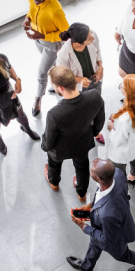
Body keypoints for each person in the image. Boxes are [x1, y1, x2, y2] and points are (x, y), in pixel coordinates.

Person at [67, 159, 135, 271]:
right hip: (104, 225)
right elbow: (102, 195)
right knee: (94, 244)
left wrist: (83, 226)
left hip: (114, 238)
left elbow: (108, 239)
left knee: (122, 255)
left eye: (91, 171)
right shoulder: (118, 175)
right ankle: (87, 267)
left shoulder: (108, 214)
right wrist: (91, 205)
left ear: (99, 179)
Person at [41, 66, 106, 203]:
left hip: (60, 150)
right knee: (82, 167)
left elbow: (49, 142)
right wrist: (93, 132)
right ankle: (81, 193)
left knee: (53, 164)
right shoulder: (94, 96)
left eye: (53, 85)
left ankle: (54, 183)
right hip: (82, 143)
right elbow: (100, 120)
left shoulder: (54, 114)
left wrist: (45, 146)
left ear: (61, 88)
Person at [23, 0, 70, 117]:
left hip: (51, 44)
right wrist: (27, 20)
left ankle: (38, 98)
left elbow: (66, 35)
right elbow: (31, 11)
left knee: (42, 73)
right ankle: (57, 85)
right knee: (54, 65)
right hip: (37, 40)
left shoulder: (55, 10)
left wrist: (43, 35)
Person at [56, 22, 106, 144]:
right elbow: (62, 75)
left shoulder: (92, 36)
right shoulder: (63, 55)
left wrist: (100, 67)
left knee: (96, 105)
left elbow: (98, 50)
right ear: (78, 43)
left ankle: (96, 131)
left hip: (95, 80)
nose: (92, 37)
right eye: (89, 38)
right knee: (82, 111)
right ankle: (86, 131)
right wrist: (78, 79)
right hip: (79, 87)